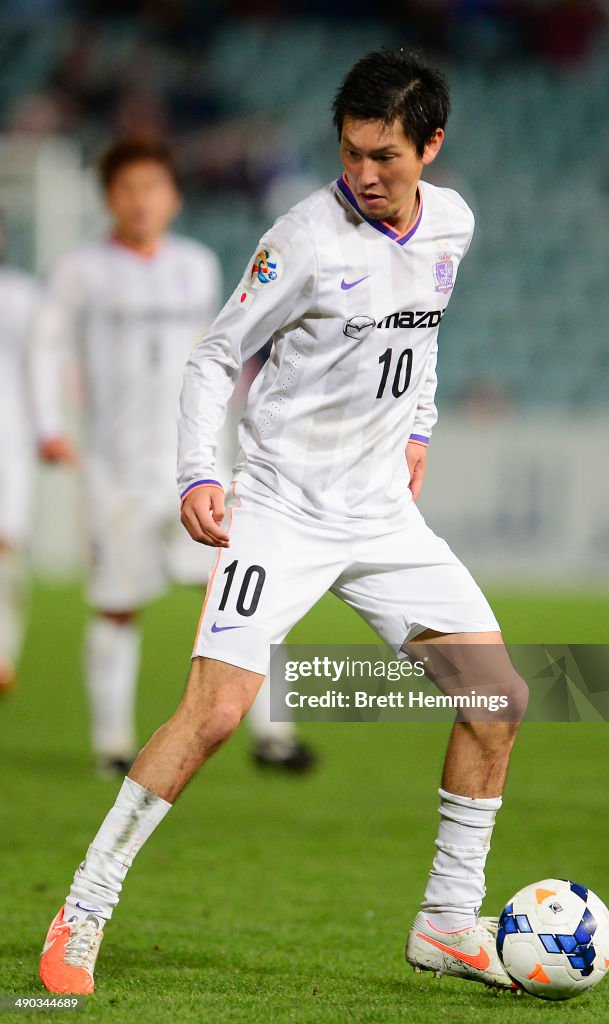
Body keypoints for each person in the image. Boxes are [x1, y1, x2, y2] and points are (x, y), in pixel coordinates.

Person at [39, 50, 528, 995]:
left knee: (496, 699)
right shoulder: (304, 236)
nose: (364, 175)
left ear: (432, 145)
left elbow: (424, 333)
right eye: (350, 153)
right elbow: (214, 357)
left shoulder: (453, 224)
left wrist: (418, 426)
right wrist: (198, 475)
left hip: (383, 515)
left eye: (385, 156)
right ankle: (84, 908)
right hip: (281, 510)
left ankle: (446, 921)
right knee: (217, 712)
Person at [30, 139, 314, 776]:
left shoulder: (197, 264)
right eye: (128, 189)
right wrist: (49, 424)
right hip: (117, 469)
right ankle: (111, 745)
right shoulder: (80, 271)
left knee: (244, 593)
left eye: (152, 187)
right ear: (109, 198)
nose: (141, 201)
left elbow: (226, 357)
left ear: (174, 196)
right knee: (116, 604)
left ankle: (276, 735)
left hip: (199, 462)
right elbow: (46, 350)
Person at [0, 214, 41, 694]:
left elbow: (46, 364)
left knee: (6, 550)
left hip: (10, 439)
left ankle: (3, 653)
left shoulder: (22, 296)